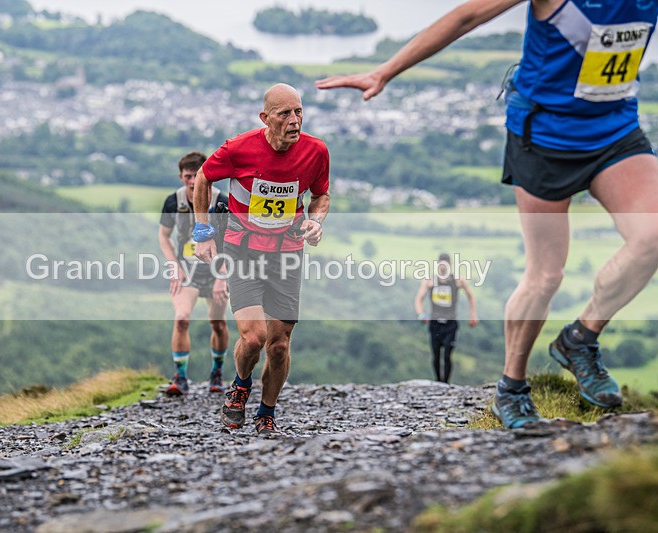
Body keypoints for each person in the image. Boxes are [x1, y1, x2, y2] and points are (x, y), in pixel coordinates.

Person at [316, 1, 658, 428]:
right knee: (546, 276)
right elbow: (467, 16)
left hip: (615, 130)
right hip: (544, 136)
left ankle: (580, 338)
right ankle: (511, 389)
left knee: (652, 237)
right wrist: (385, 71)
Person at [191, 83, 330, 435]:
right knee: (254, 338)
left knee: (279, 344)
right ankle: (240, 385)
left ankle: (266, 413)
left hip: (287, 251)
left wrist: (315, 220)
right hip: (243, 249)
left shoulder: (316, 152)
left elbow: (321, 195)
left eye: (299, 111)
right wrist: (203, 230)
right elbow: (204, 177)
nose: (295, 120)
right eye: (285, 114)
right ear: (265, 118)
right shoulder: (239, 149)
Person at [158, 151, 230, 396]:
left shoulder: (223, 203)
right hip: (186, 270)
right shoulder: (173, 202)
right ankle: (180, 375)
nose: (192, 181)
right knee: (181, 318)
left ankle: (216, 372)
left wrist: (222, 276)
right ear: (181, 176)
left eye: (197, 176)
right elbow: (163, 236)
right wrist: (173, 265)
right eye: (188, 176)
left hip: (217, 268)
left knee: (218, 324)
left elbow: (234, 241)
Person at [414, 252, 479, 383]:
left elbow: (471, 295)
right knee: (436, 355)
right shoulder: (430, 280)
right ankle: (438, 381)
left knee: (448, 353)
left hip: (450, 323)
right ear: (438, 265)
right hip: (435, 323)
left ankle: (446, 383)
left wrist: (473, 314)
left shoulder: (457, 280)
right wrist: (421, 314)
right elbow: (418, 299)